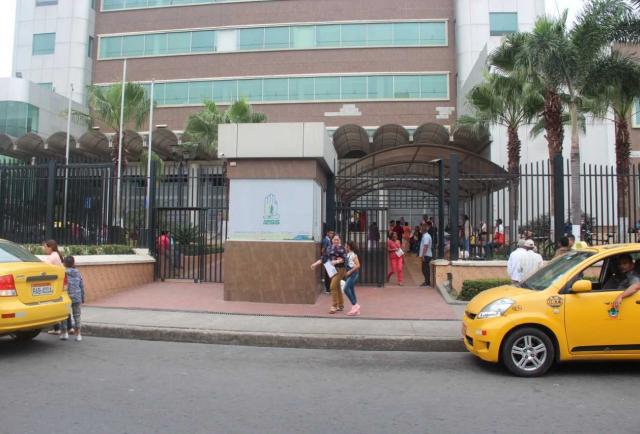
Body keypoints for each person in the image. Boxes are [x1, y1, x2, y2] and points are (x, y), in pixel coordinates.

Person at [311, 234, 346, 314]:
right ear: (332, 240)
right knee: (337, 287)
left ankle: (334, 305)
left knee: (332, 286)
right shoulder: (329, 248)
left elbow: (344, 259)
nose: (336, 241)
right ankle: (341, 305)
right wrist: (315, 264)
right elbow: (323, 258)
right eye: (334, 239)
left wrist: (337, 261)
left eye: (337, 239)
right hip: (332, 270)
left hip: (340, 270)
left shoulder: (342, 248)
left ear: (340, 240)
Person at [59, 256, 85, 342]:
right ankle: (78, 335)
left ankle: (65, 333)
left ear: (64, 264)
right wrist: (82, 297)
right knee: (77, 315)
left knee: (64, 315)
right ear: (73, 263)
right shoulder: (78, 273)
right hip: (77, 296)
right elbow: (81, 286)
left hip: (66, 296)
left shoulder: (62, 273)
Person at [344, 241, 361, 316]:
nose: (345, 247)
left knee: (345, 289)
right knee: (351, 289)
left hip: (353, 274)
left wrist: (350, 271)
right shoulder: (348, 254)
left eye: (345, 246)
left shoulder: (353, 255)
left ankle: (355, 305)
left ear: (349, 247)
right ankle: (356, 309)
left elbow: (358, 265)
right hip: (350, 274)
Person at [419, 221, 433, 287]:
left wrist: (423, 255)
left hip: (426, 255)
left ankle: (427, 283)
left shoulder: (426, 236)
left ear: (423, 230)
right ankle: (426, 281)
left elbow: (426, 246)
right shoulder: (425, 236)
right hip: (426, 255)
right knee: (424, 269)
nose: (420, 230)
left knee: (425, 269)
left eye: (421, 228)